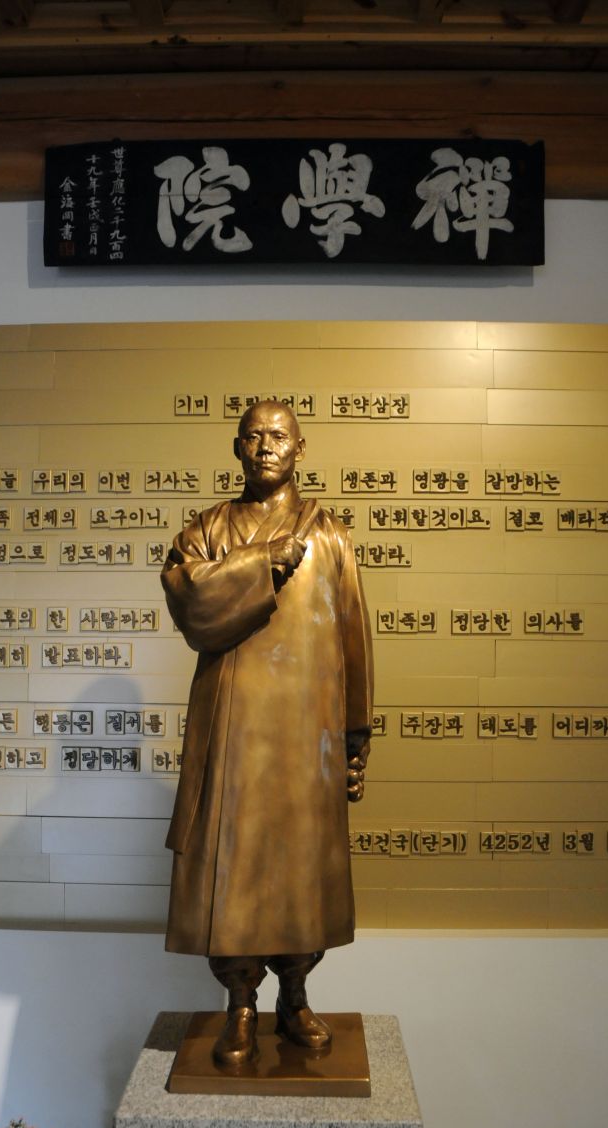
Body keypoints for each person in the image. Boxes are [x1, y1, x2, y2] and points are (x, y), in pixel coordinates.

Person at [160, 400, 373, 1067]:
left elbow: (353, 637)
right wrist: (260, 561)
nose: (264, 447)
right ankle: (240, 1004)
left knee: (302, 867)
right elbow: (188, 597)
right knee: (235, 867)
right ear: (236, 448)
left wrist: (356, 736)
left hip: (309, 733)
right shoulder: (208, 529)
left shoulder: (331, 535)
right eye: (252, 437)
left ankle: (295, 995)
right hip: (234, 728)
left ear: (300, 448)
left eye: (278, 436)